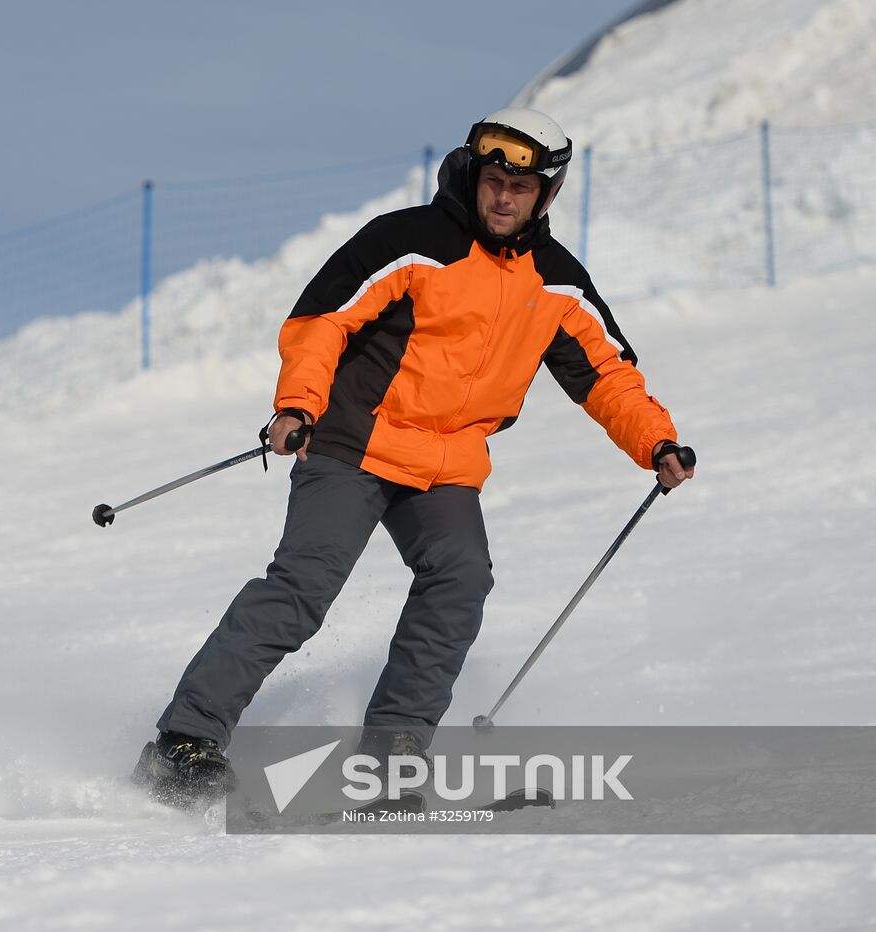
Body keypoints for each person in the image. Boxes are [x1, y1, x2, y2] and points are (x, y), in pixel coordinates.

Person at [132, 107, 695, 804]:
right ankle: (183, 741)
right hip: (351, 440)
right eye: (494, 180)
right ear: (476, 174)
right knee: (304, 590)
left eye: (519, 190)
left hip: (447, 464)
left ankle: (389, 767)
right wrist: (298, 405)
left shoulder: (556, 282)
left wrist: (656, 441)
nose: (502, 197)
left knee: (460, 581)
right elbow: (321, 321)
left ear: (545, 195)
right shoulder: (410, 242)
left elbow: (609, 374)